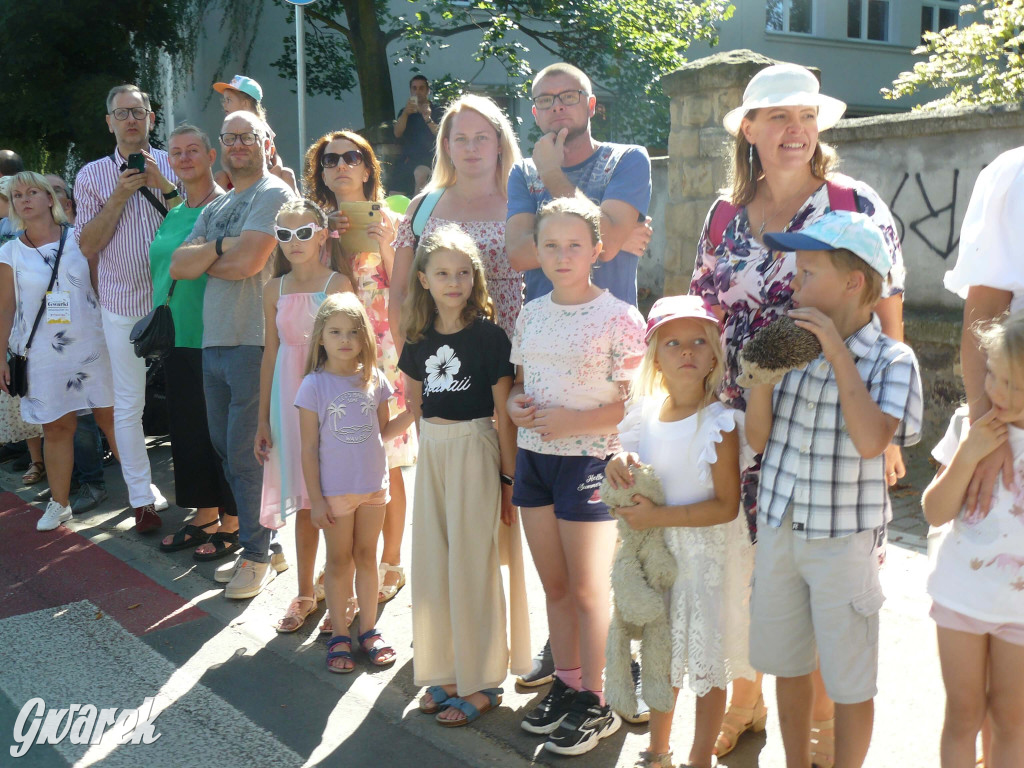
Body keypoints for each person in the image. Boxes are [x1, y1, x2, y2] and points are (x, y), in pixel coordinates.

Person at [688, 62, 908, 764]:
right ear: (747, 129)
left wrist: (891, 427)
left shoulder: (852, 201)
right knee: (755, 579)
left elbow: (887, 312)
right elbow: (705, 312)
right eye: (779, 116)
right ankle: (750, 705)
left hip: (830, 437)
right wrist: (696, 412)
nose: (795, 130)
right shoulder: (724, 213)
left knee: (821, 597)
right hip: (744, 420)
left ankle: (813, 747)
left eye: (806, 117)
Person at [744, 211, 922, 768]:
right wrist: (759, 380)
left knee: (849, 678)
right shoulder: (791, 348)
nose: (795, 286)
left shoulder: (892, 360)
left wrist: (837, 353)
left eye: (808, 274)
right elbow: (759, 440)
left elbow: (873, 441)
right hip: (778, 526)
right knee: (789, 665)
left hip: (844, 539)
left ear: (855, 282)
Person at [508, 197, 645, 756]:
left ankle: (602, 698)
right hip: (534, 460)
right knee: (557, 586)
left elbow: (635, 408)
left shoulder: (619, 316)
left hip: (592, 463)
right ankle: (568, 683)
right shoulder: (531, 312)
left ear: (597, 250)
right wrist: (518, 407)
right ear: (536, 251)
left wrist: (575, 422)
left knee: (590, 592)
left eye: (574, 245)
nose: (562, 255)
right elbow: (520, 384)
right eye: (551, 245)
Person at [605, 295, 755, 768]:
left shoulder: (721, 423)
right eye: (673, 343)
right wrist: (619, 463)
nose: (686, 351)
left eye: (697, 342)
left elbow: (727, 506)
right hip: (659, 559)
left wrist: (657, 518)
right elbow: (639, 471)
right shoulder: (644, 414)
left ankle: (699, 759)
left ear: (714, 354)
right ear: (655, 356)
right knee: (660, 658)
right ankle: (656, 752)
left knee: (707, 670)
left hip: (705, 562)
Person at [399, 225, 528, 727]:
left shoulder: (491, 338)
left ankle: (483, 682)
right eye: (443, 273)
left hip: (476, 451)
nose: (454, 282)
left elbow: (503, 415)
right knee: (433, 565)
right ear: (425, 280)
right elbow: (413, 406)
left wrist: (508, 482)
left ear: (474, 278)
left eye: (463, 273)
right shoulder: (417, 338)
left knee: (474, 567)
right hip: (431, 451)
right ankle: (447, 672)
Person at [170, 110, 296, 599]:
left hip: (254, 340)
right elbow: (181, 266)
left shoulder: (273, 195)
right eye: (231, 138)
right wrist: (223, 246)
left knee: (245, 454)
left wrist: (211, 256)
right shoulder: (220, 204)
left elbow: (250, 262)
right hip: (215, 340)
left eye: (248, 136)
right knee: (228, 449)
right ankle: (270, 546)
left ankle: (256, 556)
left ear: (267, 141)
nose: (239, 145)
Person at [306, 130, 417, 615]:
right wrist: (320, 240)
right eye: (331, 160)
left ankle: (390, 561)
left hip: (384, 352)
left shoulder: (393, 220)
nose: (342, 166)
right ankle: (347, 564)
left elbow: (410, 289)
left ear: (369, 167)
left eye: (352, 157)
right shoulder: (315, 223)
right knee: (342, 454)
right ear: (322, 172)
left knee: (387, 461)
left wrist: (388, 245)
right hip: (335, 355)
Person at [75, 83, 180, 533]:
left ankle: (207, 498)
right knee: (128, 405)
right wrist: (119, 194)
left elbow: (199, 218)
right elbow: (87, 245)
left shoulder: (176, 161)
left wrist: (163, 183)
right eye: (122, 113)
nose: (131, 120)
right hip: (122, 304)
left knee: (193, 399)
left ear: (151, 118)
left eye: (138, 111)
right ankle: (141, 498)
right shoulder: (92, 175)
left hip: (177, 300)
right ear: (110, 123)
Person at [921, 312, 1024, 768]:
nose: (997, 393)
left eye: (1014, 386)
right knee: (962, 716)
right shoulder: (968, 423)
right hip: (961, 598)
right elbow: (934, 510)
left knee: (1012, 722)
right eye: (992, 376)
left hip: (1018, 614)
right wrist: (968, 454)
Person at [0, 172, 119, 531]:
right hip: (42, 352)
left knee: (112, 418)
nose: (25, 199)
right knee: (57, 427)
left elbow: (102, 287)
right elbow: (5, 308)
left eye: (32, 191)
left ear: (50, 198)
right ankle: (59, 503)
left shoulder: (79, 238)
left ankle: (143, 490)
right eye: (17, 194)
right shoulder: (9, 251)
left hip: (91, 343)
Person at [256, 199, 354, 633]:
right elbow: (270, 353)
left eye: (302, 232)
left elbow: (354, 349)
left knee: (334, 496)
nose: (293, 243)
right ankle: (303, 592)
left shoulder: (338, 283)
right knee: (302, 495)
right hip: (287, 400)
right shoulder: (272, 288)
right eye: (283, 234)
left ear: (321, 235)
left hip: (330, 397)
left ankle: (341, 596)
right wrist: (262, 418)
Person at [297, 293, 407, 672]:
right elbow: (309, 449)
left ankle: (369, 629)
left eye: (353, 332)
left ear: (365, 338)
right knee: (339, 561)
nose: (345, 340)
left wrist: (414, 413)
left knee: (367, 557)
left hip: (374, 489)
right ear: (321, 338)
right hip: (335, 493)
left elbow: (384, 431)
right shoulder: (313, 386)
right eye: (336, 331)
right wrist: (317, 500)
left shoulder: (374, 379)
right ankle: (340, 633)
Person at [150, 125, 238, 558]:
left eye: (193, 151)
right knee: (188, 432)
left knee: (221, 434)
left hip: (216, 335)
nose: (185, 158)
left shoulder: (226, 207)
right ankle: (204, 516)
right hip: (177, 337)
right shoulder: (174, 212)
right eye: (176, 152)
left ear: (210, 155)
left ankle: (233, 523)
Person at [506, 62, 653, 308]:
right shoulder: (524, 172)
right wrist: (602, 240)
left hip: (612, 330)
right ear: (535, 113)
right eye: (545, 100)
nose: (557, 105)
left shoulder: (627, 159)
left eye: (569, 96)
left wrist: (551, 173)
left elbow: (607, 244)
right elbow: (519, 255)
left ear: (591, 106)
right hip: (542, 331)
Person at [392, 94, 524, 344]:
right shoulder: (422, 208)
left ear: (499, 143)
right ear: (447, 146)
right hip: (440, 359)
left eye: (481, 138)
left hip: (513, 353)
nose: (471, 148)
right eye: (461, 139)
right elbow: (400, 294)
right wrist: (409, 369)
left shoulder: (524, 206)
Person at [211, 74, 297, 192]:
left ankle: (298, 207)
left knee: (287, 174)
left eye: (229, 100)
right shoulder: (229, 129)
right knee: (219, 177)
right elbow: (226, 160)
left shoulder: (262, 127)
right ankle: (222, 208)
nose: (224, 104)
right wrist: (236, 179)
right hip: (237, 177)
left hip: (263, 174)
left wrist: (277, 169)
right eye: (224, 100)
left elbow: (274, 154)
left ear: (245, 103)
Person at [393, 75, 443, 196]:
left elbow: (441, 134)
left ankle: (416, 213)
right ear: (411, 90)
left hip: (430, 159)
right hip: (408, 159)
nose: (417, 92)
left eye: (421, 88)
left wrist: (428, 118)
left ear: (428, 91)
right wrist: (405, 113)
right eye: (414, 88)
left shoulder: (437, 110)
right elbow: (397, 133)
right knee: (393, 193)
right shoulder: (405, 112)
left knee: (420, 174)